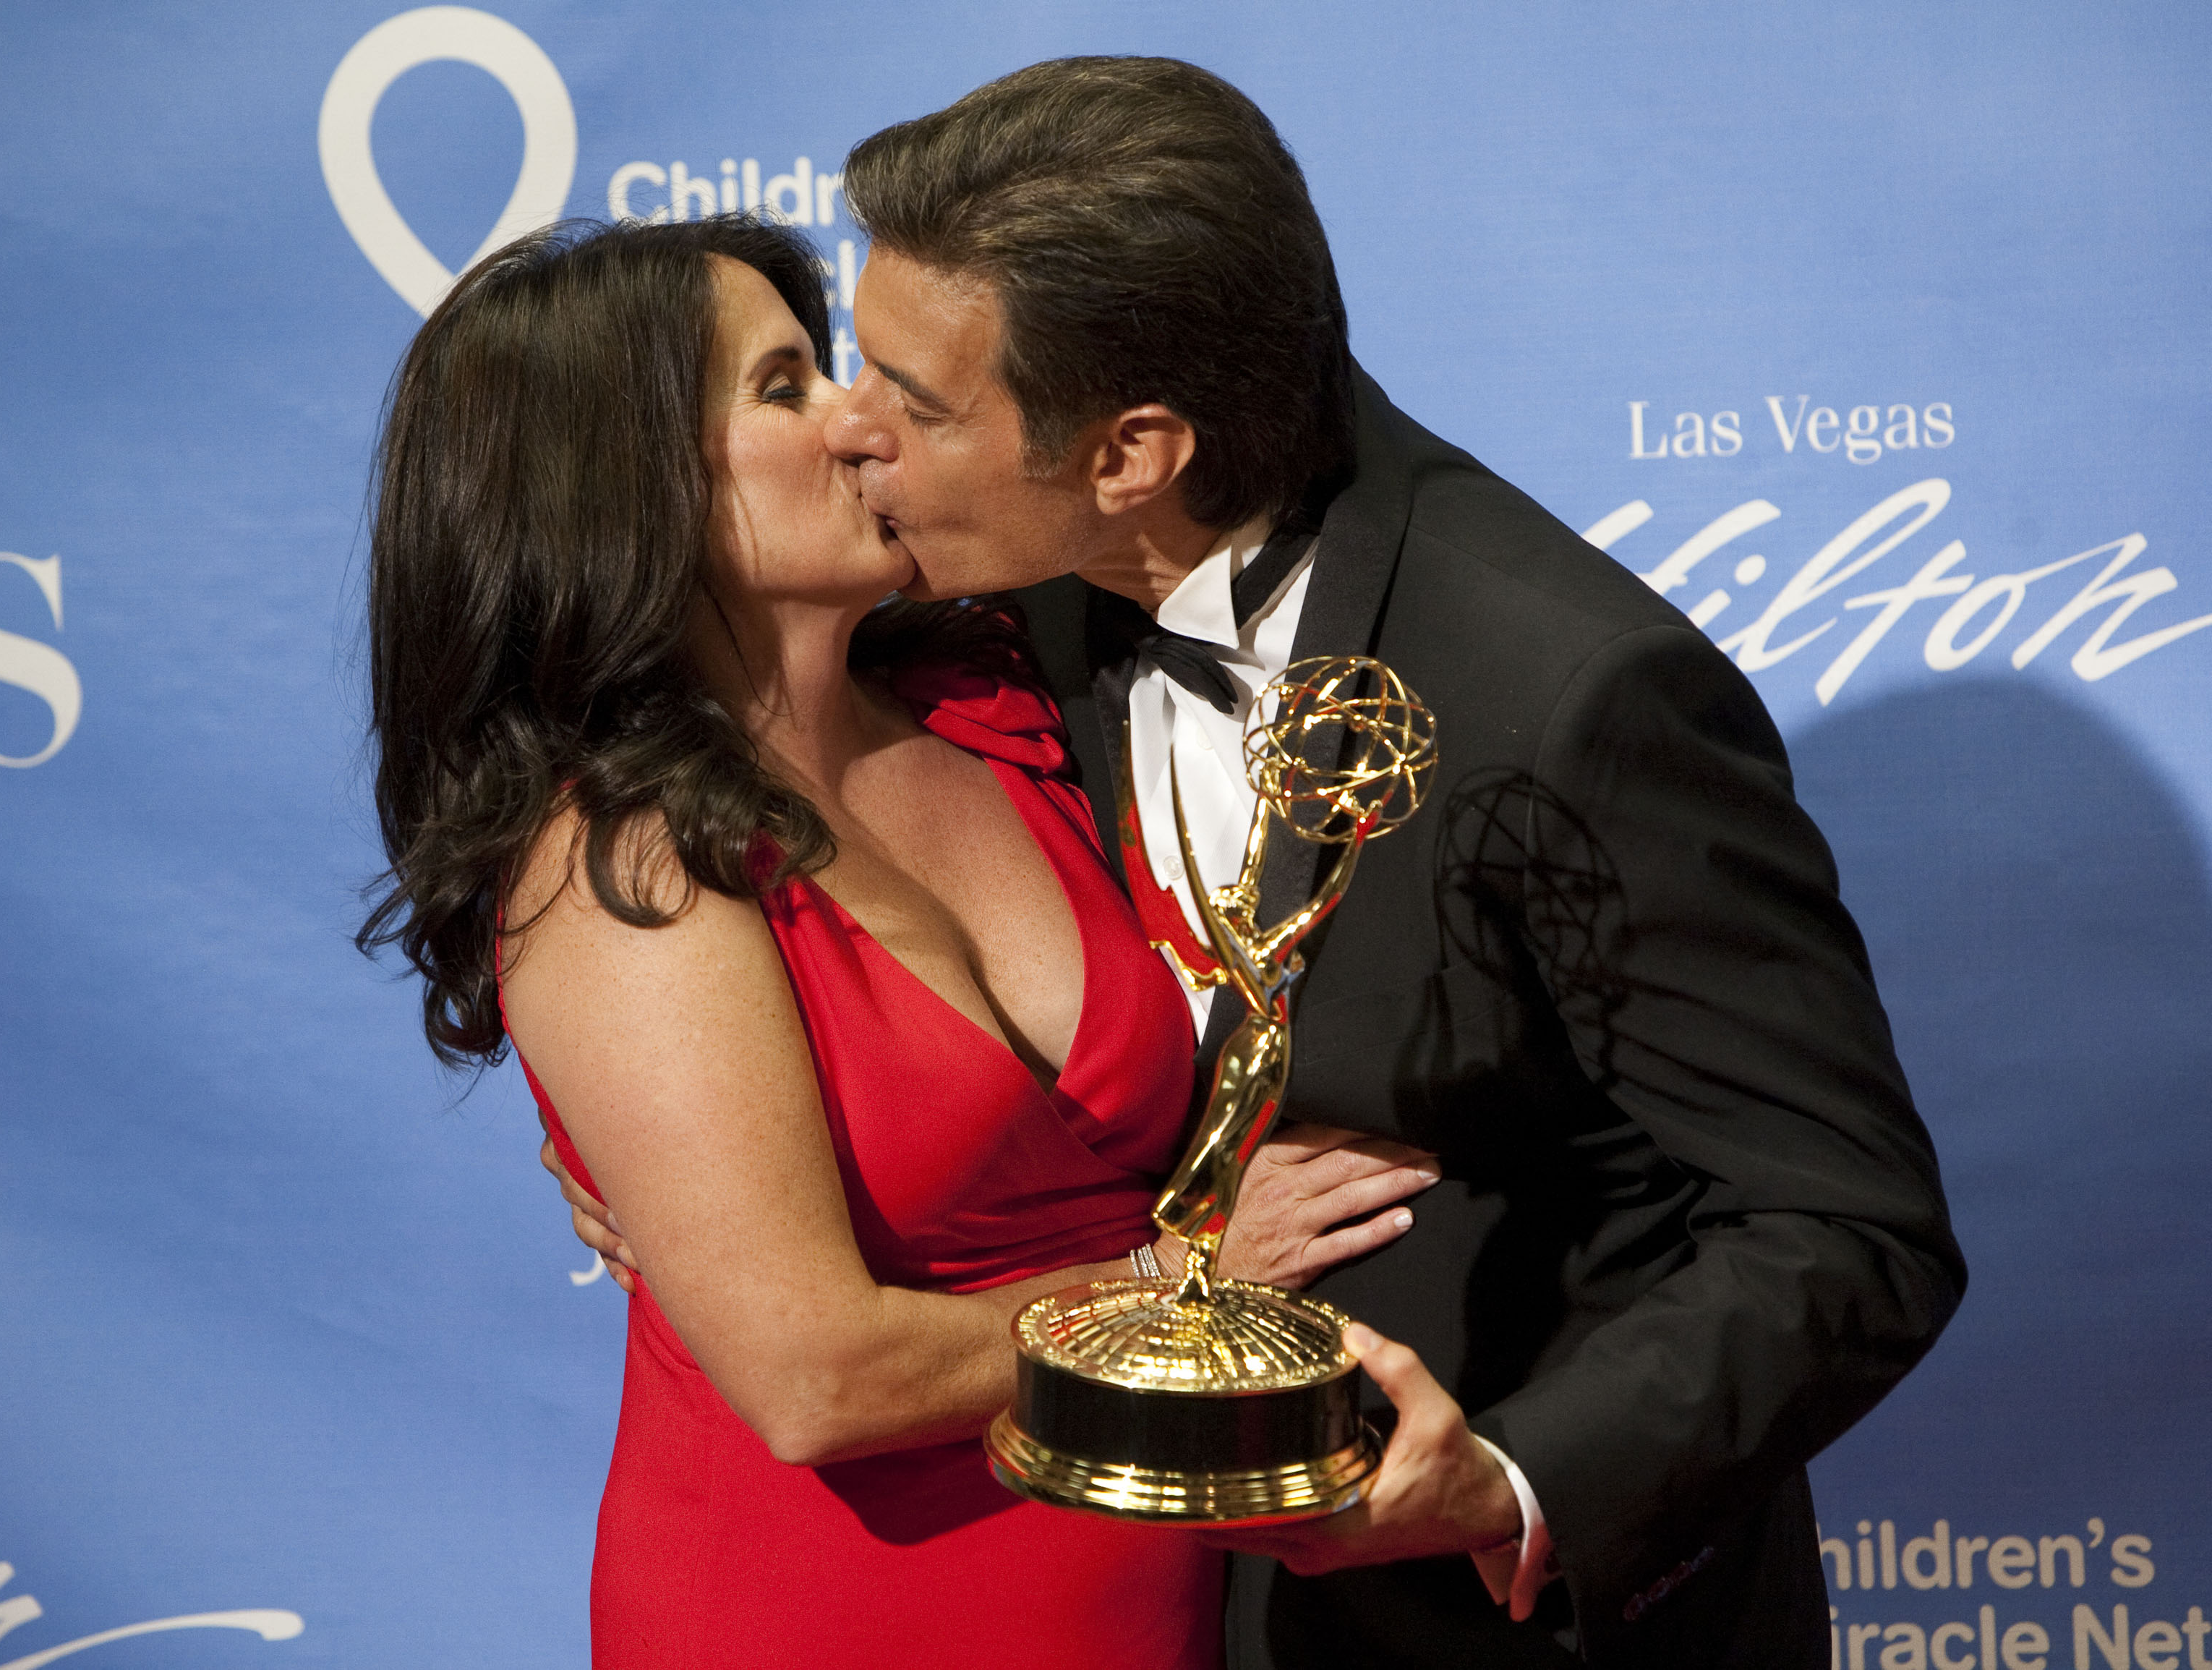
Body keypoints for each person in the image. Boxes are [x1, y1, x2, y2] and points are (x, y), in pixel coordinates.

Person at [544, 56, 1968, 1669]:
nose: (859, 430)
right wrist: (650, 1130)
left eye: (918, 401)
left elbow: (1848, 1227)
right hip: (1133, 1600)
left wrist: (1505, 1483)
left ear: (1129, 454)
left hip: (1491, 1626)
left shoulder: (1566, 694)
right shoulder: (995, 618)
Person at [357, 213, 1441, 1669]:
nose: (862, 418)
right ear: (625, 486)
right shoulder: (622, 860)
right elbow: (815, 1375)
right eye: (784, 386)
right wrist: (1177, 1284)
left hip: (1167, 1586)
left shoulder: (1008, 695)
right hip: (840, 1607)